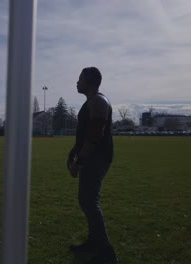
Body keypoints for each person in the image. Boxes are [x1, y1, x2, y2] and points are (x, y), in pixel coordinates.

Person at [67, 67, 118, 263]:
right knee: (85, 200)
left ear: (89, 81)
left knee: (90, 201)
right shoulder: (91, 102)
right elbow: (85, 134)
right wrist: (73, 152)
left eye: (80, 79)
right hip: (91, 157)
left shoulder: (99, 101)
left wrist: (79, 162)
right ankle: (94, 242)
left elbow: (95, 136)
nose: (77, 82)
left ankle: (106, 252)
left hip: (97, 158)